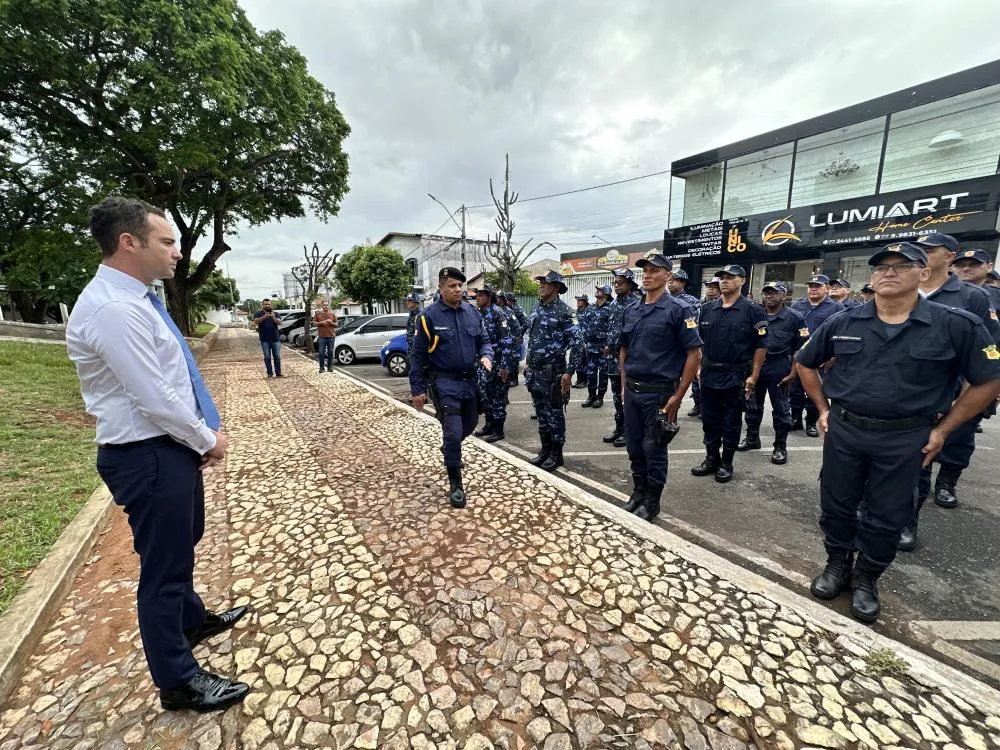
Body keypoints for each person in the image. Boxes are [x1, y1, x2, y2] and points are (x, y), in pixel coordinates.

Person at [66, 197, 248, 712]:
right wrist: (206, 438)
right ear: (130, 242)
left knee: (182, 544)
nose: (177, 253)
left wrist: (192, 440)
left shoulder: (138, 300)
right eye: (166, 242)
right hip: (147, 451)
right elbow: (153, 397)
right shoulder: (114, 310)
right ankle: (178, 679)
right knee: (163, 570)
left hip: (164, 447)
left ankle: (192, 618)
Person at [797, 242, 1000, 623]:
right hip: (845, 430)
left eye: (901, 265)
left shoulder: (955, 324)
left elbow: (988, 381)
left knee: (888, 514)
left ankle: (867, 578)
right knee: (837, 504)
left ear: (923, 274)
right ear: (872, 277)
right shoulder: (844, 321)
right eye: (881, 267)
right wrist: (823, 410)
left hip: (907, 437)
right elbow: (806, 362)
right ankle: (837, 565)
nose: (889, 272)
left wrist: (944, 430)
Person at [890, 235, 1000, 550]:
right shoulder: (899, 288)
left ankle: (907, 519)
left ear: (947, 257)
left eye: (928, 251)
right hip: (896, 391)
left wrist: (965, 400)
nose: (919, 255)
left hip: (944, 395)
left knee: (921, 460)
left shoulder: (971, 297)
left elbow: (987, 355)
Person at [619, 254, 702, 521]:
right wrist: (622, 386)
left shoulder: (678, 310)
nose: (647, 275)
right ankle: (639, 491)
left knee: (653, 448)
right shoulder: (631, 309)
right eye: (645, 270)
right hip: (632, 390)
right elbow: (624, 349)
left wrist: (679, 396)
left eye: (655, 271)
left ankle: (652, 501)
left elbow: (694, 355)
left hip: (659, 393)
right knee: (633, 446)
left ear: (668, 276)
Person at [409, 268, 494, 508]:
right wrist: (418, 389)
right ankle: (455, 482)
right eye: (452, 286)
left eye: (460, 286)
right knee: (454, 431)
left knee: (471, 424)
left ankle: (450, 447)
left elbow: (484, 341)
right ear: (441, 288)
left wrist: (487, 355)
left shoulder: (472, 313)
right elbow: (417, 356)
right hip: (444, 382)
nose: (458, 290)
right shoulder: (428, 317)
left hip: (470, 381)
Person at [691, 264, 767, 483]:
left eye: (729, 277)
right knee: (709, 419)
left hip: (736, 375)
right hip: (709, 374)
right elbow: (699, 341)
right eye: (722, 277)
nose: (724, 281)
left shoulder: (753, 310)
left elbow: (761, 345)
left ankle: (727, 462)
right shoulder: (707, 309)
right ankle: (711, 458)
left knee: (731, 421)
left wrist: (754, 375)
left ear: (742, 281)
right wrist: (699, 366)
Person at [736, 283, 806, 465]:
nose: (769, 296)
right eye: (766, 292)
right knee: (752, 405)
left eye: (774, 293)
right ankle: (752, 439)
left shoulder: (795, 317)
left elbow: (801, 348)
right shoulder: (756, 313)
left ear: (785, 295)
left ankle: (780, 447)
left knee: (781, 409)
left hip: (779, 365)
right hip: (756, 365)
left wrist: (793, 373)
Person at [525, 271, 582, 471]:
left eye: (545, 283)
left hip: (553, 373)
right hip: (535, 372)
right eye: (540, 282)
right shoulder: (536, 308)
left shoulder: (565, 312)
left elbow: (578, 343)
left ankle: (556, 454)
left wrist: (569, 372)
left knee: (555, 414)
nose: (541, 286)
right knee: (541, 414)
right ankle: (545, 450)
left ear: (556, 287)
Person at [789, 275, 844, 435]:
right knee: (796, 391)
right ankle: (796, 419)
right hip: (799, 356)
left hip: (821, 358)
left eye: (817, 286)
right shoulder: (798, 305)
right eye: (811, 286)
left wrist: (833, 357)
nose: (813, 289)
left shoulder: (836, 308)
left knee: (816, 389)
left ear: (826, 288)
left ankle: (811, 422)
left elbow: (839, 333)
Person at [471, 285, 515, 443]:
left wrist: (504, 366)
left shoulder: (498, 313)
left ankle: (498, 430)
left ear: (489, 297)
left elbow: (507, 341)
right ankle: (489, 425)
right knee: (486, 395)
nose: (477, 298)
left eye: (481, 295)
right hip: (484, 364)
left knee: (497, 398)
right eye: (477, 295)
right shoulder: (479, 314)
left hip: (496, 364)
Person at [603, 269, 641, 446]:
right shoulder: (613, 304)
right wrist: (607, 345)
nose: (617, 285)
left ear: (631, 284)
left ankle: (629, 431)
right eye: (615, 282)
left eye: (621, 283)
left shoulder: (637, 304)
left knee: (628, 397)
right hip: (612, 357)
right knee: (617, 397)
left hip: (629, 358)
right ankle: (619, 428)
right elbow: (611, 329)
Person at [581, 284, 612, 408]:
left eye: (600, 289)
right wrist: (584, 341)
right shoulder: (591, 307)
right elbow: (584, 324)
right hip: (591, 346)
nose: (597, 291)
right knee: (591, 373)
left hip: (604, 347)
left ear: (606, 293)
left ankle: (600, 397)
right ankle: (591, 395)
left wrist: (609, 344)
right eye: (597, 289)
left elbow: (613, 328)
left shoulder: (611, 307)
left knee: (603, 374)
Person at [500, 290, 528, 387]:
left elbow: (526, 323)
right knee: (509, 359)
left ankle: (514, 380)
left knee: (514, 359)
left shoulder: (517, 309)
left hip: (515, 338)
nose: (508, 302)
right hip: (509, 337)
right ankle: (508, 378)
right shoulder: (505, 309)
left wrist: (519, 336)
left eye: (509, 300)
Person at [252, 298, 283, 377]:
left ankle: (278, 373)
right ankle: (269, 373)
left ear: (271, 305)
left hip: (275, 338)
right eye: (265, 304)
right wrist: (265, 316)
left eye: (269, 304)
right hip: (264, 339)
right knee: (267, 357)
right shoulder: (258, 313)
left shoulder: (275, 313)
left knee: (277, 357)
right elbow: (255, 321)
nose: (267, 305)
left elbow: (280, 322)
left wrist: (273, 317)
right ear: (262, 305)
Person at [572, 294, 591, 388]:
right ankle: (579, 379)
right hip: (577, 340)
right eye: (577, 300)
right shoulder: (576, 312)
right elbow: (574, 325)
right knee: (577, 360)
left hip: (585, 340)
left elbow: (590, 327)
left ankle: (585, 380)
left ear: (585, 301)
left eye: (580, 300)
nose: (578, 302)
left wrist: (586, 341)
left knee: (584, 361)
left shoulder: (589, 311)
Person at [313, 299, 337, 373]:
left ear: (328, 306)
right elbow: (313, 323)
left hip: (331, 336)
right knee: (321, 352)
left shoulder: (332, 314)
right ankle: (321, 367)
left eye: (327, 305)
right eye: (324, 305)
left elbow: (336, 325)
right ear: (322, 306)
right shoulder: (318, 314)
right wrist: (321, 322)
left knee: (330, 352)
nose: (326, 306)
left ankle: (330, 367)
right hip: (322, 336)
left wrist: (331, 323)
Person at [404, 292, 423, 356]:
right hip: (411, 349)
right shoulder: (411, 314)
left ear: (415, 302)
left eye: (410, 300)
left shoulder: (420, 315)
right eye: (407, 300)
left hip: (418, 351)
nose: (408, 302)